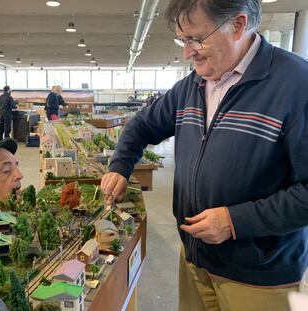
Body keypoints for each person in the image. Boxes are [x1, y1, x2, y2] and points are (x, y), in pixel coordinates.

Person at [101, 1, 308, 310]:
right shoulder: (192, 85)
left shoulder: (296, 84)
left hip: (259, 277)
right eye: (182, 40)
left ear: (238, 25)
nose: (188, 52)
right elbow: (142, 126)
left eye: (196, 39)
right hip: (195, 262)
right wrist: (120, 165)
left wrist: (234, 221)